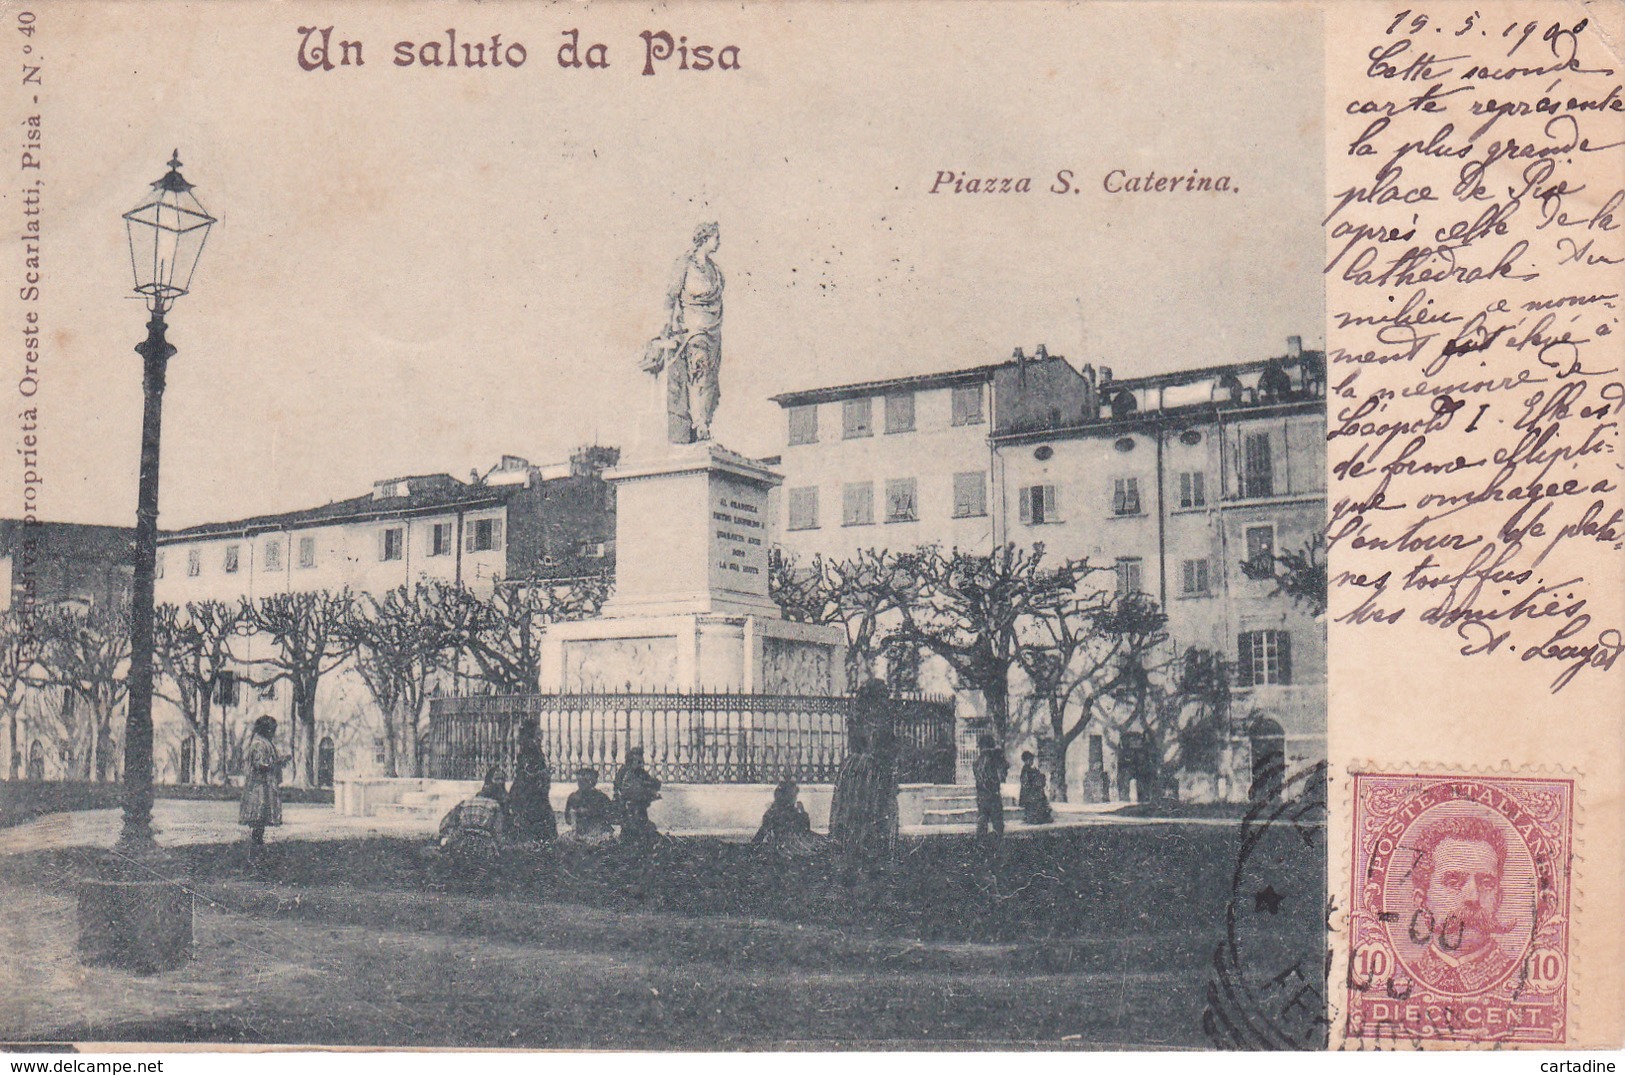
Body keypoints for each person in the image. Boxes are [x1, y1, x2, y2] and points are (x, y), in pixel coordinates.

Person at [1406, 814, 1520, 993]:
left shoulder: (1522, 979)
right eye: (1453, 882)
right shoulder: (1398, 980)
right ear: (1422, 900)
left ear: (1499, 899)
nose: (1473, 897)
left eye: (1486, 883)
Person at [642, 222, 724, 444]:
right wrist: (666, 325)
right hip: (692, 330)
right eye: (715, 237)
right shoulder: (684, 265)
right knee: (700, 369)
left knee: (710, 380)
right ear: (704, 238)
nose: (718, 241)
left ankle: (703, 422)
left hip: (713, 330)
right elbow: (671, 296)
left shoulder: (715, 270)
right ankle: (699, 425)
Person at [828, 680, 900, 867]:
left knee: (852, 809)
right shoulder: (883, 719)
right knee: (876, 809)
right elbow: (886, 748)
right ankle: (873, 850)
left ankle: (852, 848)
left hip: (853, 768)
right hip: (875, 769)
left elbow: (855, 744)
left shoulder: (856, 717)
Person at [238, 715, 285, 854]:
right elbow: (259, 764)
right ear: (267, 730)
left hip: (264, 783)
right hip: (259, 785)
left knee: (262, 814)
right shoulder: (259, 743)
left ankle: (258, 840)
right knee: (259, 814)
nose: (274, 732)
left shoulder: (265, 742)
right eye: (272, 729)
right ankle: (256, 841)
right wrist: (276, 763)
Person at [508, 719, 558, 843]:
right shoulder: (529, 750)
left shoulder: (533, 748)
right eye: (538, 731)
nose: (541, 732)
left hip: (534, 793)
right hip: (529, 794)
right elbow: (527, 773)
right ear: (532, 733)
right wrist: (544, 773)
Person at [752, 779, 821, 856]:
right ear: (788, 797)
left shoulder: (772, 812)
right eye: (794, 796)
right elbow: (805, 831)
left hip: (788, 846)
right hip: (789, 848)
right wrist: (803, 813)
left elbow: (760, 835)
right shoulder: (793, 813)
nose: (795, 799)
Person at [614, 746, 663, 844]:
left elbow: (655, 783)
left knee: (642, 822)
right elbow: (620, 789)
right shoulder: (624, 772)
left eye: (642, 762)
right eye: (638, 762)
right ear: (630, 761)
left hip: (639, 805)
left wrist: (648, 785)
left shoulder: (641, 773)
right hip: (627, 806)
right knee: (632, 825)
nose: (641, 765)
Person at [562, 767, 617, 843]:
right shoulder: (573, 797)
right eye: (579, 781)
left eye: (584, 781)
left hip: (598, 833)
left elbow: (611, 817)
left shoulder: (601, 798)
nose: (580, 784)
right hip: (579, 833)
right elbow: (568, 819)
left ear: (592, 782)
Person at [972, 734, 1009, 839]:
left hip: (982, 796)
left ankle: (982, 847)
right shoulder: (995, 759)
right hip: (993, 796)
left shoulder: (976, 762)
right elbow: (1004, 771)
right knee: (998, 825)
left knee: (982, 824)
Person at [1018, 750, 1054, 825]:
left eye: (1032, 760)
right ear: (1026, 761)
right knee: (1033, 804)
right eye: (1030, 760)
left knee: (1040, 802)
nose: (1031, 761)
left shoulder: (1032, 769)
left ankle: (1040, 817)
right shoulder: (1026, 770)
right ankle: (1033, 817)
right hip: (1031, 792)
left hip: (1035, 791)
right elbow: (1026, 782)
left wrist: (1041, 776)